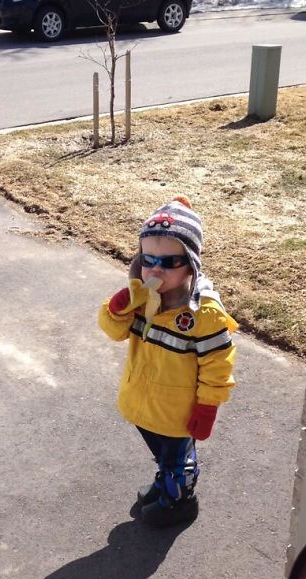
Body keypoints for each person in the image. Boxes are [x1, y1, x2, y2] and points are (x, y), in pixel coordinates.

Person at [98, 197, 237, 527]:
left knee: (177, 460)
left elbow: (218, 366)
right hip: (143, 401)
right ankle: (165, 480)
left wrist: (208, 407)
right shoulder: (141, 298)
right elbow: (114, 332)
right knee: (162, 455)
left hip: (178, 413)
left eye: (169, 261)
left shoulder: (204, 315)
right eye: (148, 260)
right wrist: (117, 308)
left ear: (190, 264)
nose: (155, 270)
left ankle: (179, 500)